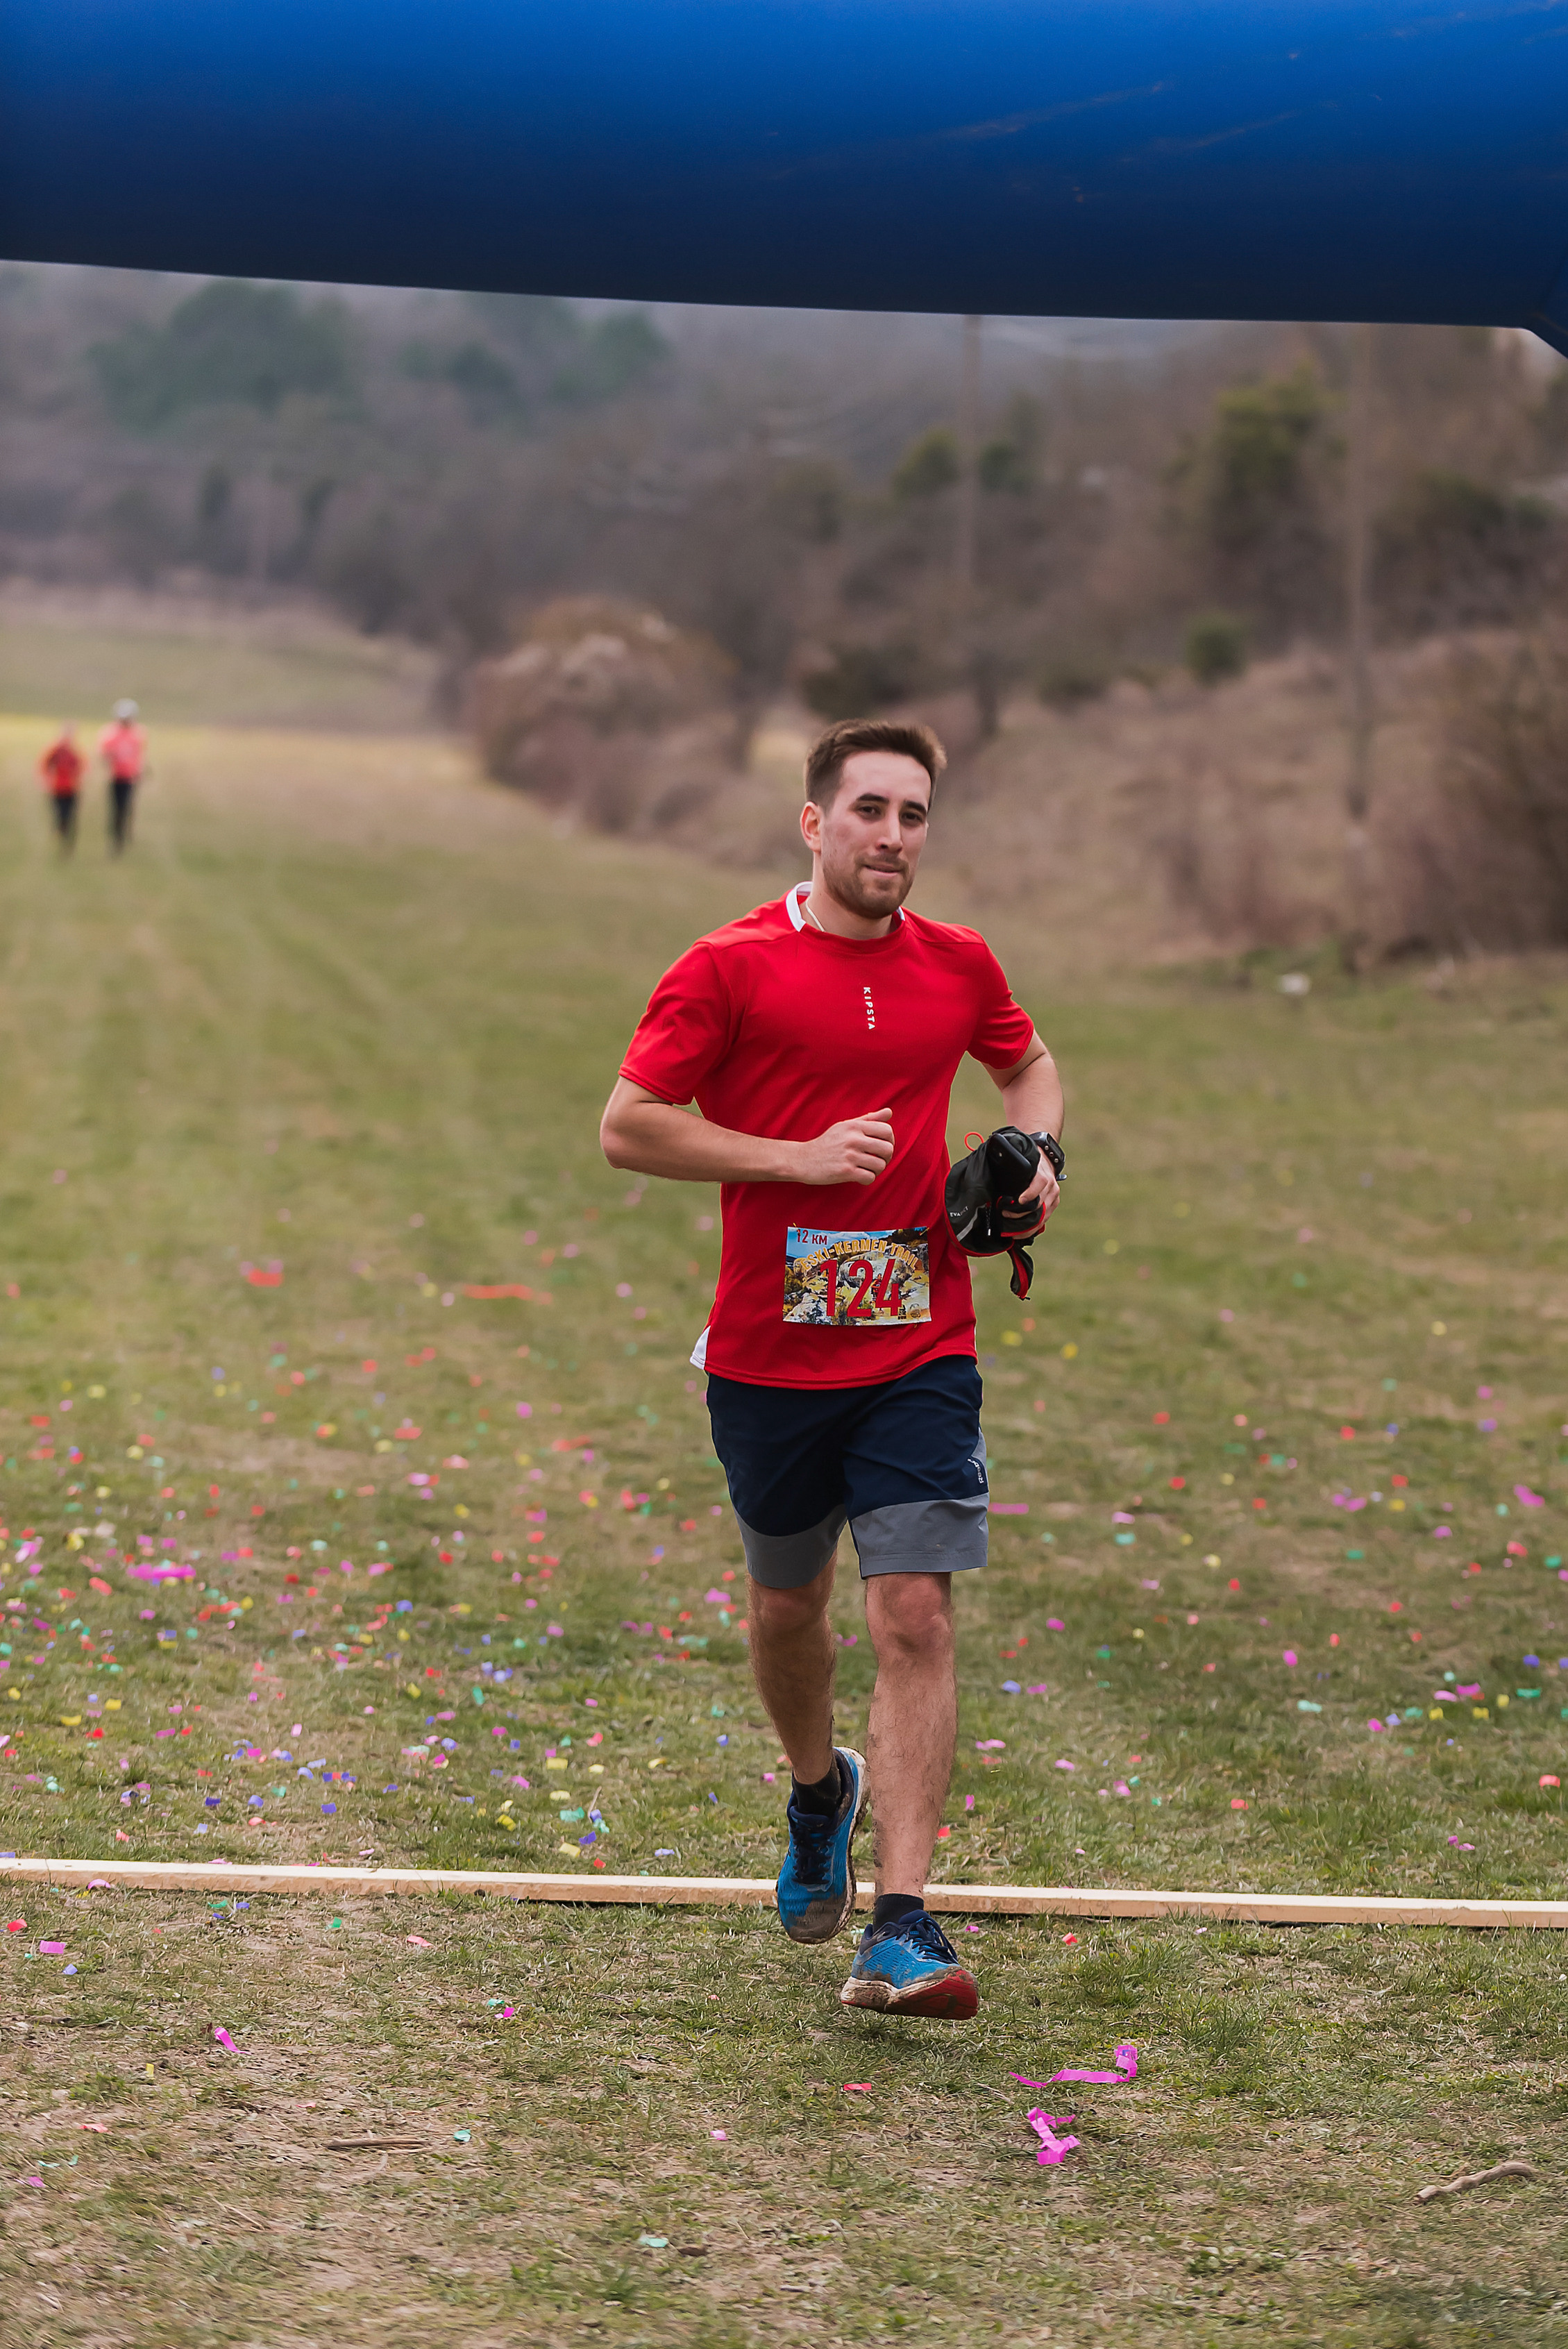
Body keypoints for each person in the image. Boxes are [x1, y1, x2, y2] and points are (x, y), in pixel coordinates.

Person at [600, 716, 1065, 2020]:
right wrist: (792, 1159)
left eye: (913, 815)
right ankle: (819, 1791)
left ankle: (902, 1924)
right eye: (868, 809)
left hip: (919, 1343)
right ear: (813, 823)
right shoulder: (728, 966)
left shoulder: (957, 963)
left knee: (913, 1610)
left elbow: (1025, 1062)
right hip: (768, 1353)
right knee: (786, 1610)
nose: (892, 836)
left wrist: (1037, 1157)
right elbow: (628, 1124)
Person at [98, 698, 147, 853]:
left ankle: (124, 831)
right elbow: (104, 754)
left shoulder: (138, 733)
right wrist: (109, 758)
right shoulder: (110, 733)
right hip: (115, 776)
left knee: (127, 806)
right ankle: (116, 836)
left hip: (130, 777)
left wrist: (140, 770)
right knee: (116, 807)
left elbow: (140, 755)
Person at [37, 725, 84, 853]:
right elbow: (44, 765)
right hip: (57, 787)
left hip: (72, 788)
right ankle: (61, 835)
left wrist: (78, 779)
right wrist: (47, 780)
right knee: (60, 813)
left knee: (70, 814)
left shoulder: (74, 751)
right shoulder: (55, 750)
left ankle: (67, 839)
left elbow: (81, 766)